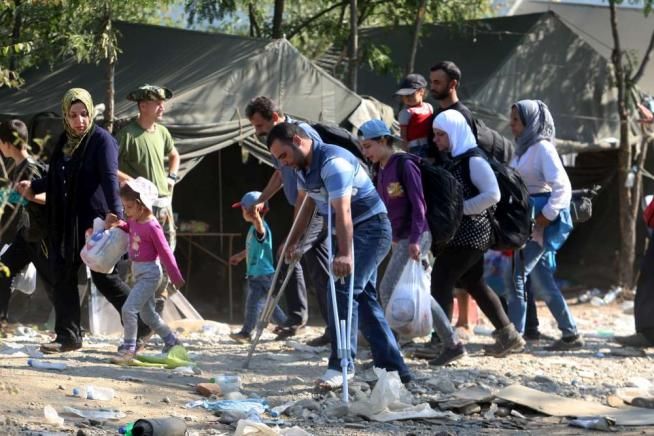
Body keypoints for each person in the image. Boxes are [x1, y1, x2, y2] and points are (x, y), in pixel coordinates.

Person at [267, 122, 412, 388]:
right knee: (364, 298)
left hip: (371, 228)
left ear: (298, 141)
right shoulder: (303, 168)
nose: (284, 163)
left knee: (343, 289)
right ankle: (395, 368)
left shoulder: (333, 163)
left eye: (284, 156)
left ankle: (341, 365)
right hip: (350, 229)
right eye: (279, 160)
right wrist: (293, 240)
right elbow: (307, 204)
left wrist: (346, 254)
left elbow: (343, 211)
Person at [17, 88, 149, 353]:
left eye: (84, 114)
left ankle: (142, 325)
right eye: (74, 115)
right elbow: (58, 176)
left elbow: (110, 179)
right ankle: (68, 337)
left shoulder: (102, 141)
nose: (80, 120)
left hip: (96, 223)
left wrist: (117, 215)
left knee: (104, 277)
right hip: (65, 222)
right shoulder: (64, 142)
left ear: (91, 114)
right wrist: (33, 185)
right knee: (63, 275)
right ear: (66, 116)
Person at [359, 119, 465, 366]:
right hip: (400, 238)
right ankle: (453, 343)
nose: (366, 153)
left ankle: (390, 351)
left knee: (387, 290)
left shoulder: (404, 164)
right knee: (418, 292)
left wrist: (416, 240)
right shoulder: (381, 170)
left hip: (416, 236)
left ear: (384, 140)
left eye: (368, 146)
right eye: (363, 148)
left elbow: (419, 205)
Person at [431, 109, 525, 357]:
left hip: (472, 234)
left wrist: (461, 210)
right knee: (474, 282)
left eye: (441, 135)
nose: (436, 140)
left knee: (441, 280)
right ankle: (509, 336)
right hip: (464, 234)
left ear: (455, 133)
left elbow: (493, 194)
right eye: (436, 135)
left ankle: (445, 343)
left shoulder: (474, 160)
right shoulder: (456, 158)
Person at [245, 96, 330, 345]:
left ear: (274, 117)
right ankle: (298, 319)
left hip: (314, 206)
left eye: (260, 126)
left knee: (299, 258)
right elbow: (281, 173)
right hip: (302, 205)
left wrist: (296, 231)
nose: (257, 132)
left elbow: (309, 188)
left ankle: (328, 328)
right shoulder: (277, 142)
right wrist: (262, 198)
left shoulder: (300, 135)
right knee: (299, 260)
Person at [506, 99, 583, 351]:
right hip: (527, 220)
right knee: (540, 279)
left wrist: (545, 218)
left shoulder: (542, 148)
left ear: (530, 122)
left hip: (538, 224)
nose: (511, 124)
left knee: (517, 274)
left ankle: (513, 337)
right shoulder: (522, 149)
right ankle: (570, 334)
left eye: (516, 120)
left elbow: (563, 187)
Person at [116, 84, 180, 312]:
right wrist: (134, 184)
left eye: (163, 102)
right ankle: (139, 306)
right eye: (157, 102)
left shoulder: (162, 132)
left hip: (164, 203)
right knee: (141, 255)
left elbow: (174, 154)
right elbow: (111, 166)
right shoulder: (127, 134)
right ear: (143, 105)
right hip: (141, 207)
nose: (162, 107)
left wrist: (172, 176)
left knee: (167, 251)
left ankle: (159, 300)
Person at [110, 178, 184, 362]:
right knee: (148, 314)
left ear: (141, 205)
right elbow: (131, 230)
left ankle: (129, 350)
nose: (125, 211)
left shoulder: (152, 226)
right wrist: (120, 224)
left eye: (128, 207)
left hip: (150, 274)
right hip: (139, 272)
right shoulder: (135, 220)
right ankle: (172, 341)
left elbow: (166, 252)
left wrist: (175, 276)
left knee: (128, 309)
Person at [0, 119, 53, 326]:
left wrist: (26, 196)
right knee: (3, 269)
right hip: (27, 234)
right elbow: (22, 196)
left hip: (41, 236)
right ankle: (2, 321)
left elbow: (50, 197)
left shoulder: (30, 168)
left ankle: (69, 328)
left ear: (6, 144)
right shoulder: (20, 166)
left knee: (53, 283)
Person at [228, 191, 287, 343]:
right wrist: (240, 257)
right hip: (257, 273)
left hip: (263, 274)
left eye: (243, 209)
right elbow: (252, 247)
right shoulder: (253, 229)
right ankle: (285, 326)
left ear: (252, 211)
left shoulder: (261, 227)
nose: (242, 212)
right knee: (267, 303)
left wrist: (256, 218)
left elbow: (260, 231)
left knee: (255, 304)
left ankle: (247, 332)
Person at [396, 74, 433, 158]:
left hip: (431, 147)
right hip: (415, 149)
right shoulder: (405, 113)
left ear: (421, 91)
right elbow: (403, 135)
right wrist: (407, 152)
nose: (407, 98)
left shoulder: (429, 107)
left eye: (410, 94)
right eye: (404, 95)